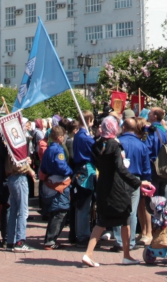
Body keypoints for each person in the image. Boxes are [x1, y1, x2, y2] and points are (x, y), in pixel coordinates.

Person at [81, 116, 146, 267]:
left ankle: (91, 253)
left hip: (102, 184)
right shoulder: (114, 145)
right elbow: (121, 168)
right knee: (125, 218)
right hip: (116, 187)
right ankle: (125, 254)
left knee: (104, 221)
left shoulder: (97, 145)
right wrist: (138, 182)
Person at [39, 125, 72, 249]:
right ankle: (50, 240)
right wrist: (70, 171)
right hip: (58, 182)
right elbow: (61, 166)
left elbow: (43, 167)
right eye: (63, 136)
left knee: (56, 212)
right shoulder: (58, 150)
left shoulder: (48, 149)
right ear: (59, 137)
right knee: (60, 211)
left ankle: (51, 239)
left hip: (49, 181)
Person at [71, 111, 96, 247]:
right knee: (84, 204)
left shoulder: (78, 135)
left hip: (80, 168)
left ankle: (79, 233)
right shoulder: (85, 137)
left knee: (81, 204)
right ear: (89, 120)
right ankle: (83, 235)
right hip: (86, 169)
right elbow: (95, 149)